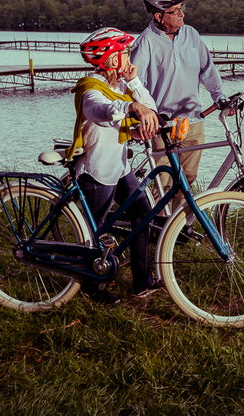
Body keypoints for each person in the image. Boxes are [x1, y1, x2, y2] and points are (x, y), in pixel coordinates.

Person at [67, 27, 162, 304]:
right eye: (123, 53)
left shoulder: (119, 85)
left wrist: (134, 84)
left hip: (119, 167)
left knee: (143, 213)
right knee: (92, 231)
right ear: (109, 59)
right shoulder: (90, 88)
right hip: (97, 170)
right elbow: (100, 111)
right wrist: (129, 109)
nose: (128, 56)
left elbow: (150, 107)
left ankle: (142, 279)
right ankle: (90, 288)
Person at [130, 0, 229, 207]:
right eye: (175, 11)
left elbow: (208, 70)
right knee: (162, 183)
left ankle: (180, 228)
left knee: (188, 178)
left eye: (181, 8)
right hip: (162, 126)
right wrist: (146, 113)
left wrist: (219, 97)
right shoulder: (145, 42)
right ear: (158, 16)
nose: (182, 14)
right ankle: (156, 228)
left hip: (192, 121)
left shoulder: (191, 35)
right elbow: (135, 83)